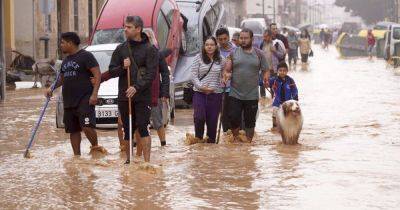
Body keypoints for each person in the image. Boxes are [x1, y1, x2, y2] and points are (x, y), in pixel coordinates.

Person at [100, 16, 158, 164]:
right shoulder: (121, 49)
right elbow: (112, 71)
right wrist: (122, 67)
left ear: (138, 29)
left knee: (143, 127)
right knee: (127, 128)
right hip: (124, 96)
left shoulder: (150, 49)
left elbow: (151, 74)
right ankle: (128, 161)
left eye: (129, 27)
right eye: (125, 26)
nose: (125, 29)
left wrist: (136, 87)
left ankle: (147, 163)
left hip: (142, 96)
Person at [45, 32, 106, 156]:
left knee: (87, 126)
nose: (61, 45)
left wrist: (94, 94)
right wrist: (51, 88)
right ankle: (77, 157)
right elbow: (61, 79)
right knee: (73, 130)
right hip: (68, 100)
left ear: (70, 43)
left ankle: (95, 147)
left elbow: (97, 74)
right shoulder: (65, 61)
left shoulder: (86, 56)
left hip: (85, 98)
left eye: (62, 42)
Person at [223, 28, 270, 142]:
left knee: (250, 122)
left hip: (252, 94)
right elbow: (227, 69)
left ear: (252, 39)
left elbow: (266, 69)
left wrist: (265, 77)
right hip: (235, 93)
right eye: (241, 38)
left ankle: (248, 144)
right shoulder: (233, 53)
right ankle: (236, 140)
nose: (243, 40)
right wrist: (226, 75)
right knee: (234, 118)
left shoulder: (259, 54)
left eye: (246, 38)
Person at [191, 36, 224, 143]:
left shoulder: (221, 59)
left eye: (212, 45)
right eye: (207, 45)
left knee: (212, 121)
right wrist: (202, 87)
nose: (209, 47)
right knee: (199, 117)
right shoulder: (198, 58)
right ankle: (199, 140)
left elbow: (225, 74)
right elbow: (193, 75)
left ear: (216, 46)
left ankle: (211, 145)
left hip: (215, 94)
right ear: (204, 46)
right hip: (199, 93)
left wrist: (225, 79)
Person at [216, 27, 236, 132]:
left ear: (228, 37)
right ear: (217, 39)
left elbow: (239, 68)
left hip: (234, 87)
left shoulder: (236, 50)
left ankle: (234, 137)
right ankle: (227, 136)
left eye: (225, 38)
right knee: (223, 115)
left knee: (233, 114)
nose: (223, 41)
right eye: (220, 39)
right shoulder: (215, 52)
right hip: (219, 88)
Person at [269, 62, 298, 131]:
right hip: (277, 102)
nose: (282, 72)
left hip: (288, 103)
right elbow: (266, 82)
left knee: (288, 117)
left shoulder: (290, 80)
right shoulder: (274, 80)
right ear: (277, 71)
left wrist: (295, 99)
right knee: (274, 112)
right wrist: (260, 81)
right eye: (280, 70)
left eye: (284, 70)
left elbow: (295, 90)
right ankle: (275, 127)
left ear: (287, 71)